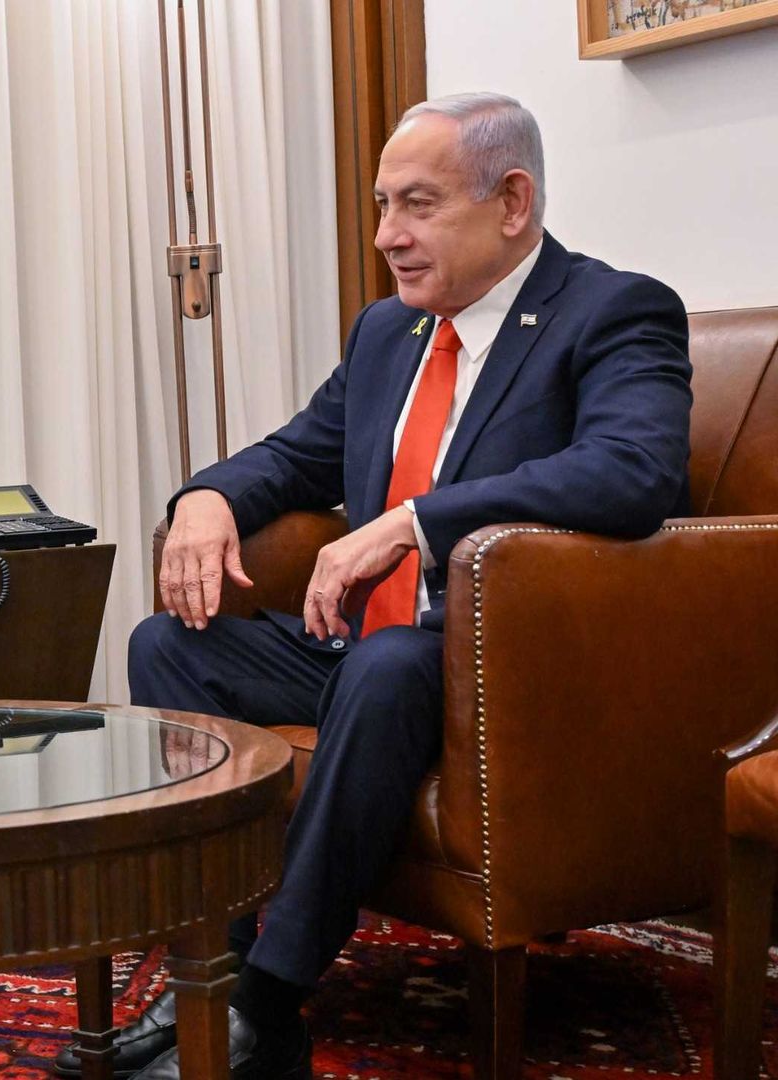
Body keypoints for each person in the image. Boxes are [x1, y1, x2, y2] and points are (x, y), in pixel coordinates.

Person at [54, 92, 692, 1079]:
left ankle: (268, 1011)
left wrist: (416, 520)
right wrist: (205, 500)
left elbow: (634, 472)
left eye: (418, 205)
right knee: (171, 645)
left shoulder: (611, 312)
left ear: (512, 201)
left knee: (391, 665)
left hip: (515, 674)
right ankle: (210, 983)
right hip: (369, 659)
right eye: (384, 203)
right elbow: (296, 455)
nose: (388, 235)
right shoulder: (388, 333)